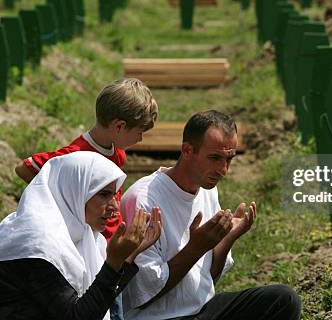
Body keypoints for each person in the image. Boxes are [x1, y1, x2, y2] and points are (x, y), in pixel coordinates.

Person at [121, 110, 302, 320]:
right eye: (215, 158)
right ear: (187, 150)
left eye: (229, 159)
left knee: (284, 300)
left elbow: (209, 276)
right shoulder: (144, 199)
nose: (223, 169)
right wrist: (196, 247)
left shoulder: (207, 190)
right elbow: (143, 294)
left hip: (201, 310)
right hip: (158, 317)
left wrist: (226, 239)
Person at [0, 152, 162, 320]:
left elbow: (94, 299)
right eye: (104, 195)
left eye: (114, 195)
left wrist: (126, 258)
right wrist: (113, 263)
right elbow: (78, 316)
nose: (115, 207)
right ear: (74, 191)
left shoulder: (81, 233)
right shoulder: (40, 242)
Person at [14, 78, 158, 320]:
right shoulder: (75, 155)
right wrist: (62, 203)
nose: (141, 139)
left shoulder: (117, 153)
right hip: (88, 248)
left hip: (108, 247)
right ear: (119, 126)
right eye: (139, 132)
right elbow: (25, 168)